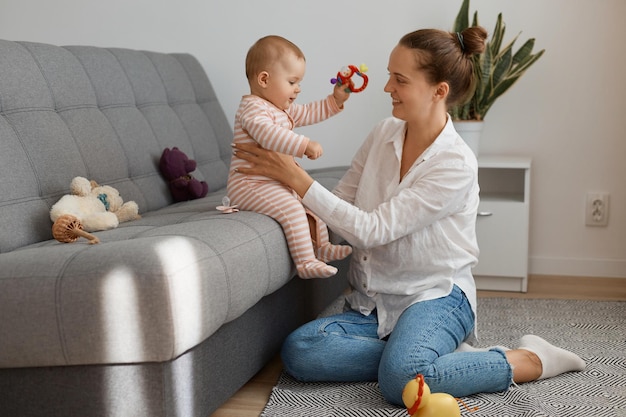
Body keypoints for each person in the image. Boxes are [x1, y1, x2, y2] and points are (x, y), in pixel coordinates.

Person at [232, 27, 586, 405]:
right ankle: (433, 361)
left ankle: (529, 359)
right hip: (375, 302)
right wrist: (279, 197)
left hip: (436, 297)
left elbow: (371, 230)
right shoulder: (383, 133)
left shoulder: (455, 164)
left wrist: (295, 176)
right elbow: (340, 205)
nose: (387, 88)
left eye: (399, 80)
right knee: (301, 351)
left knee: (398, 381)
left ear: (439, 91)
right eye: (389, 75)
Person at [227, 35, 353, 279]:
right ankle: (305, 263)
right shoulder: (253, 108)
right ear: (264, 79)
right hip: (248, 185)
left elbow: (309, 112)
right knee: (292, 209)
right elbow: (267, 135)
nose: (298, 89)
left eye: (299, 82)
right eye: (293, 81)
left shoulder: (279, 108)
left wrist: (335, 101)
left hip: (272, 180)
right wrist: (303, 144)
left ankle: (322, 248)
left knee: (311, 203)